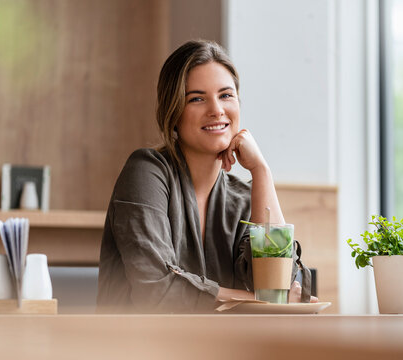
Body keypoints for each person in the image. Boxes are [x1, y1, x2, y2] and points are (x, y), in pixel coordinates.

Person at [97, 40, 315, 313]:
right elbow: (156, 289)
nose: (216, 110)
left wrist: (262, 172)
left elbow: (278, 287)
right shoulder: (146, 172)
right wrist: (258, 300)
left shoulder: (243, 196)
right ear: (173, 112)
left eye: (226, 95)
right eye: (197, 98)